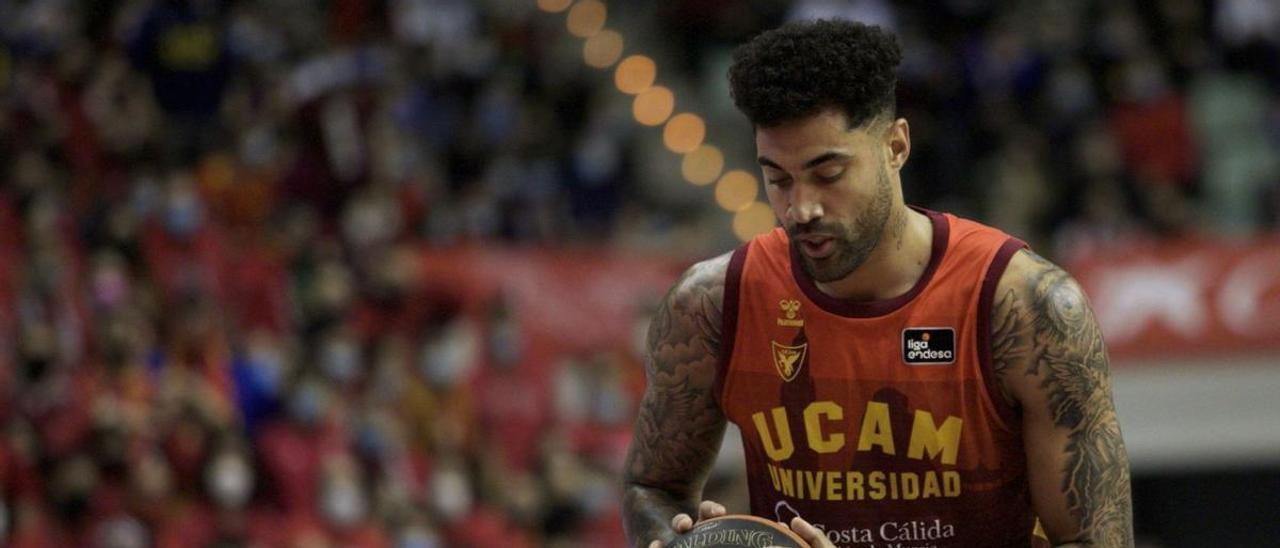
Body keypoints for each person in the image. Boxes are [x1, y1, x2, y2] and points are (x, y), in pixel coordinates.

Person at [621, 19, 1133, 548]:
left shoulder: (1027, 308)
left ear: (896, 145)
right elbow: (652, 488)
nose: (802, 208)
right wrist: (679, 540)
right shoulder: (711, 305)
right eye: (778, 178)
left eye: (828, 173)